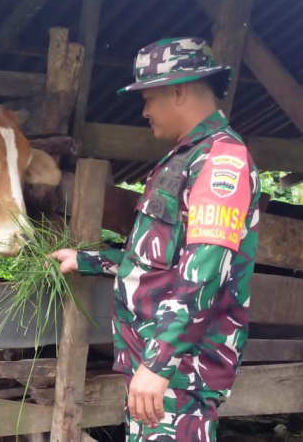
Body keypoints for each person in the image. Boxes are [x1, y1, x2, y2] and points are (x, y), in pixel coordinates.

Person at [50, 37, 261, 441]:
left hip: (178, 375)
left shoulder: (221, 161)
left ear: (178, 90)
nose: (144, 111)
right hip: (160, 371)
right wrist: (88, 260)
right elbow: (163, 258)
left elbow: (204, 271)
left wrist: (158, 363)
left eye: (148, 98)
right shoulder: (188, 157)